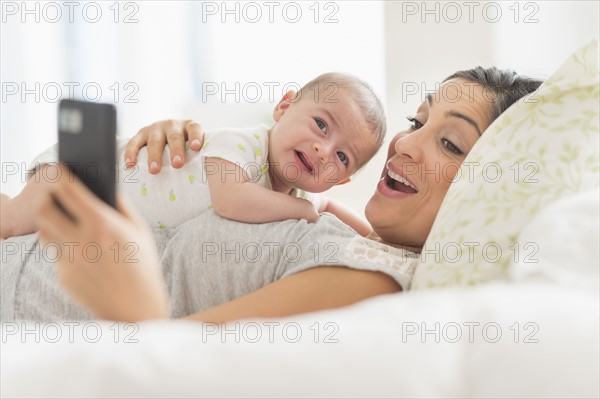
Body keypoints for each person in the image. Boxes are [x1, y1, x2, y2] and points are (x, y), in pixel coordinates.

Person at [3, 67, 542, 323]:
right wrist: (170, 153)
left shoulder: (369, 282)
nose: (402, 144)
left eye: (449, 142)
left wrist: (129, 298)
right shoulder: (342, 228)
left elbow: (173, 369)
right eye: (415, 120)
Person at [0, 72, 385, 239]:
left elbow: (328, 204)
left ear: (342, 178)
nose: (323, 150)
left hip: (103, 211)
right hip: (91, 171)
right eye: (321, 125)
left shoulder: (294, 191)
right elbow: (231, 199)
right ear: (284, 107)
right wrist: (306, 212)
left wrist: (379, 240)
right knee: (14, 222)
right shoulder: (245, 144)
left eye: (343, 157)